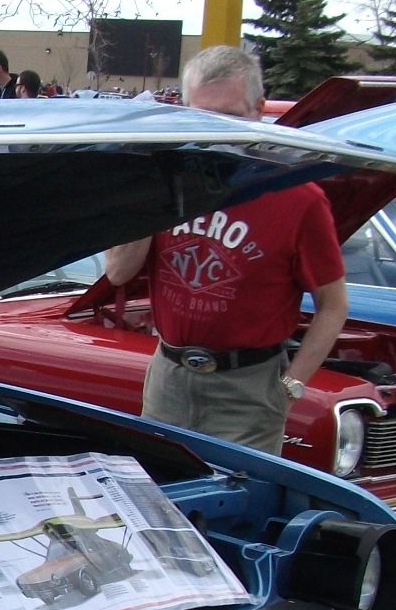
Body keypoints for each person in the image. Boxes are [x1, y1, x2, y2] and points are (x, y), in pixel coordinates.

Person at [102, 45, 346, 455]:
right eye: (202, 115)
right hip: (170, 376)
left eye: (230, 116)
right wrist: (151, 198)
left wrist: (291, 385)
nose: (216, 129)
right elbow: (117, 274)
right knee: (160, 499)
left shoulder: (299, 198)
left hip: (248, 388)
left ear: (259, 110)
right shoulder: (166, 186)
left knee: (236, 507)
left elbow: (333, 305)